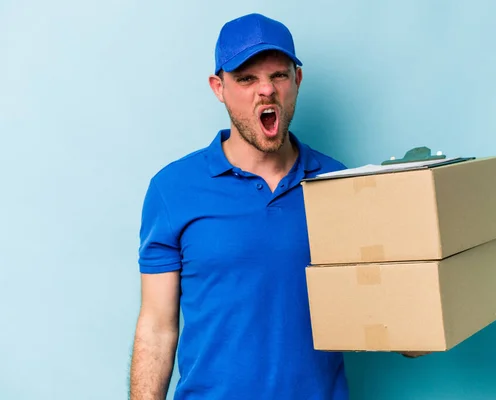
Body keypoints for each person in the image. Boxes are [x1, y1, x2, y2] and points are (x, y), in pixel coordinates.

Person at [128, 13, 351, 400]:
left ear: (296, 80)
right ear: (219, 87)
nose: (265, 90)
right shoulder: (173, 189)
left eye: (278, 75)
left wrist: (415, 324)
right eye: (247, 79)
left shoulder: (343, 185)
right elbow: (157, 326)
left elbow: (380, 291)